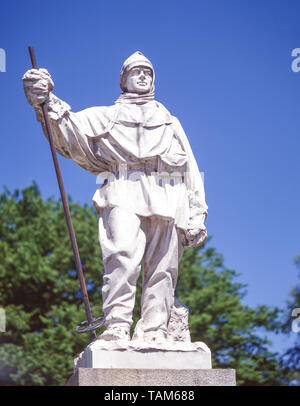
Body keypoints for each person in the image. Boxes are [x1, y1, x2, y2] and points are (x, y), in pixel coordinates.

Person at [22, 51, 208, 342]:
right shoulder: (105, 116)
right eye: (136, 72)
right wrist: (45, 101)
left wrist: (198, 211)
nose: (143, 76)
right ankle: (118, 324)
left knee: (164, 266)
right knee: (121, 254)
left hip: (169, 192)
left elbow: (191, 169)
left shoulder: (170, 122)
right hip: (123, 186)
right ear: (124, 80)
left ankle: (155, 328)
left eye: (148, 71)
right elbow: (68, 131)